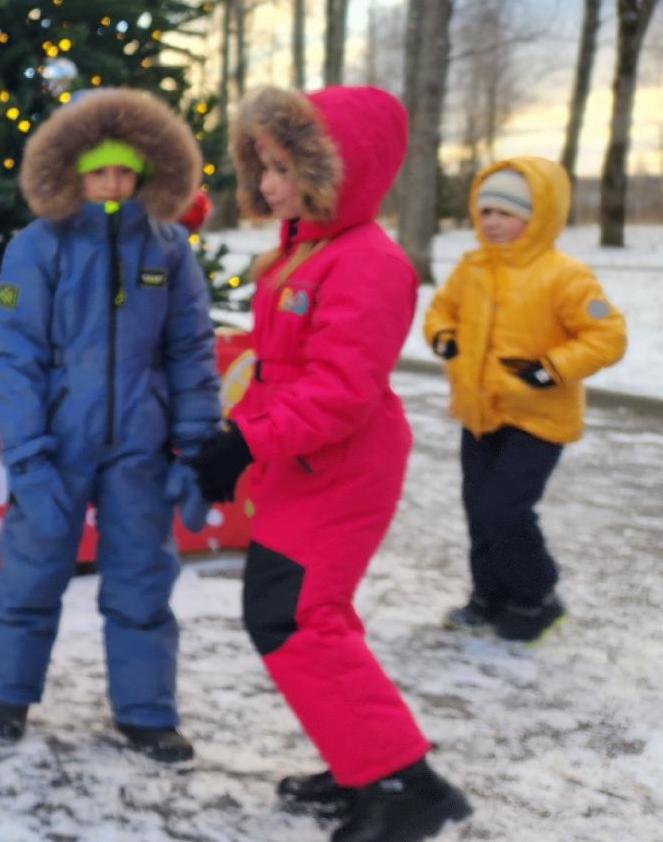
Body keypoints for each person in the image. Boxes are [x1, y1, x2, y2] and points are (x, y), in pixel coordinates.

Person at [187, 87, 471, 841]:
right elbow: (281, 371)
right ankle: (363, 763)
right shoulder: (305, 250)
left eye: (285, 169)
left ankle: (408, 787)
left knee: (296, 619)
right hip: (303, 468)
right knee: (307, 617)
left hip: (341, 470)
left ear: (337, 172)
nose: (271, 185)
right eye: (265, 167)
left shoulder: (370, 264)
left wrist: (247, 443)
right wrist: (235, 439)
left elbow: (338, 392)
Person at [0, 90, 222, 762]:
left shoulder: (169, 250)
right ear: (71, 172)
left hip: (139, 446)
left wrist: (198, 447)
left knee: (144, 577)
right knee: (30, 572)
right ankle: (7, 694)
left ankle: (147, 713)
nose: (112, 185)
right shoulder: (40, 246)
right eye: (98, 172)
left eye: (124, 171)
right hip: (57, 444)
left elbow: (191, 351)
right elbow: (16, 353)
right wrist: (27, 455)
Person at [423, 158, 625, 643]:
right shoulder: (471, 268)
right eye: (485, 210)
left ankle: (537, 596)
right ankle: (487, 596)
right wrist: (444, 338)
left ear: (539, 216)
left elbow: (608, 335)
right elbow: (439, 310)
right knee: (478, 507)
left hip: (538, 419)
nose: (491, 221)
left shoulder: (565, 275)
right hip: (479, 412)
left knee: (505, 509)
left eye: (506, 212)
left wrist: (547, 369)